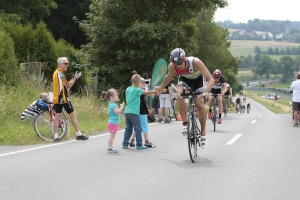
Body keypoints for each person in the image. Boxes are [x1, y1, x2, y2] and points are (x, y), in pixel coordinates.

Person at [156, 48, 214, 149]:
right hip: (185, 80)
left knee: (200, 104)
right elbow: (168, 77)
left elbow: (211, 79)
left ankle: (203, 133)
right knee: (180, 95)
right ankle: (185, 124)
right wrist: (161, 87)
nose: (179, 66)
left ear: (185, 59)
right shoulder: (172, 66)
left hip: (198, 81)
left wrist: (206, 91)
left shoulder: (196, 62)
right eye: (176, 64)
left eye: (180, 63)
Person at [52, 57, 89, 142]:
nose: (67, 65)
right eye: (65, 64)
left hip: (57, 98)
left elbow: (64, 85)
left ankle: (56, 136)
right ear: (60, 64)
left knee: (57, 116)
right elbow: (68, 85)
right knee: (73, 115)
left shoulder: (56, 73)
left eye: (67, 63)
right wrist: (75, 78)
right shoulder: (61, 73)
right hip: (64, 98)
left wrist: (73, 78)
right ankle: (78, 134)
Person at [122, 74, 157, 149]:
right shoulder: (137, 90)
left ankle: (125, 143)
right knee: (138, 128)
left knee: (128, 128)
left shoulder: (128, 89)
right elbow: (147, 93)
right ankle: (139, 144)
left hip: (127, 111)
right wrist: (156, 91)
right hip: (134, 112)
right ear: (138, 82)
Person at [101, 89, 125, 153]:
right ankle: (110, 147)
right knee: (112, 136)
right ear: (111, 97)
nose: (117, 97)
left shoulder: (112, 104)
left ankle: (110, 147)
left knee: (112, 136)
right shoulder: (113, 105)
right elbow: (117, 112)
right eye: (116, 96)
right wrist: (121, 107)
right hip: (113, 123)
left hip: (112, 122)